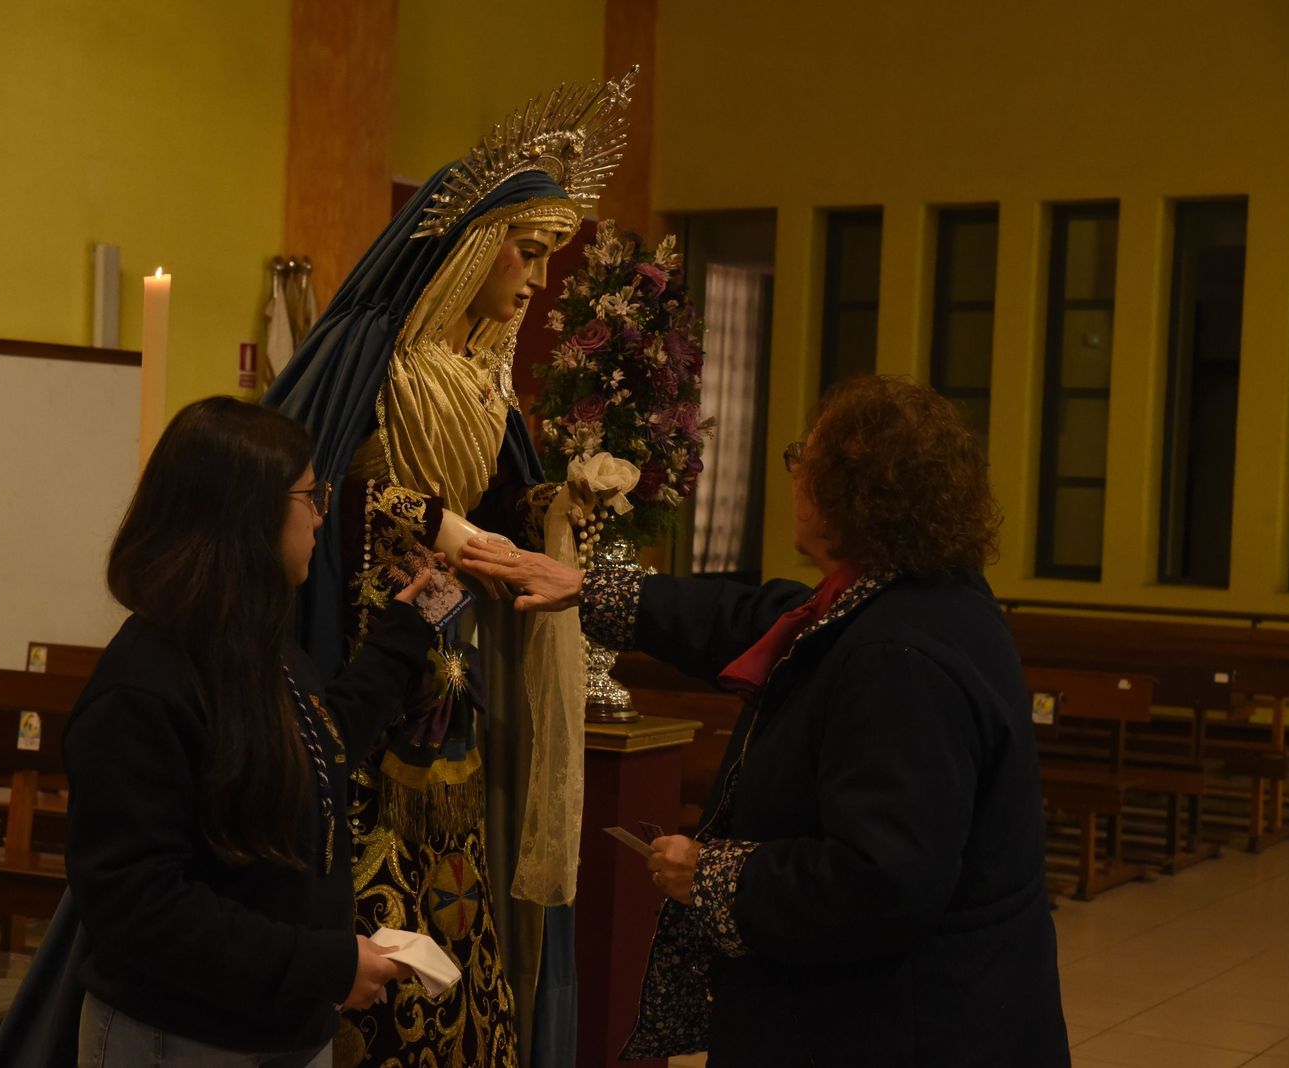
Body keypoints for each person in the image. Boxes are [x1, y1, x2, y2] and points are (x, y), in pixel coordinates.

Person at [461, 375, 1071, 1067]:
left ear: (847, 491)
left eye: (803, 457)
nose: (794, 473)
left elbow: (881, 881)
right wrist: (588, 587)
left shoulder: (899, 658)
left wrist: (715, 875)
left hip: (904, 1029)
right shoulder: (907, 596)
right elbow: (755, 618)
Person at [265, 70, 636, 1067]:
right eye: (529, 251)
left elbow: (504, 510)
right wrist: (428, 521)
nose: (537, 280)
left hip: (451, 667)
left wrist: (561, 505)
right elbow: (306, 488)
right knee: (372, 855)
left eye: (549, 258)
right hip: (361, 651)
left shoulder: (482, 383)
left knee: (458, 881)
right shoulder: (368, 357)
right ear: (473, 242)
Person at [64, 397, 439, 1067]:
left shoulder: (254, 645)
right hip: (182, 1039)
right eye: (309, 495)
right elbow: (137, 904)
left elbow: (317, 748)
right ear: (246, 513)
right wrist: (319, 962)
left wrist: (409, 632)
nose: (320, 515)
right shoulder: (146, 683)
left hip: (281, 1027)